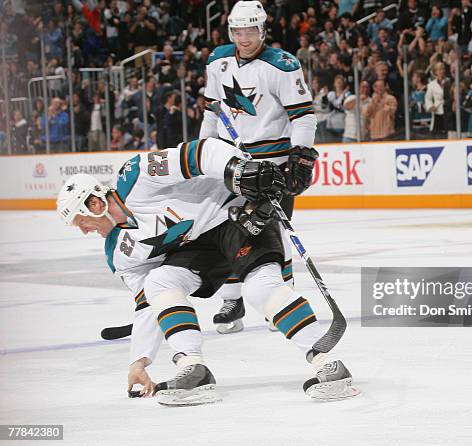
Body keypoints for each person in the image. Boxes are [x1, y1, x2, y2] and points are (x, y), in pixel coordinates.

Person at [56, 138, 357, 405]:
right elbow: (146, 304)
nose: (83, 231)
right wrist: (139, 360)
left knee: (259, 288)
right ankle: (193, 368)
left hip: (236, 214)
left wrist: (236, 170)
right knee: (159, 281)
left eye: (80, 221)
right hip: (200, 245)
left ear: (94, 203)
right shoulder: (119, 251)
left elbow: (200, 152)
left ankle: (327, 363)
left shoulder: (135, 176)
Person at [199, 1, 317, 334]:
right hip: (229, 161)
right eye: (238, 31)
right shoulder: (217, 60)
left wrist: (301, 155)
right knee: (223, 228)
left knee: (270, 229)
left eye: (251, 30)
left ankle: (281, 298)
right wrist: (202, 152)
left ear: (262, 30)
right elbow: (213, 110)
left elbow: (303, 115)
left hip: (272, 163)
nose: (244, 38)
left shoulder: (282, 64)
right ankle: (231, 298)